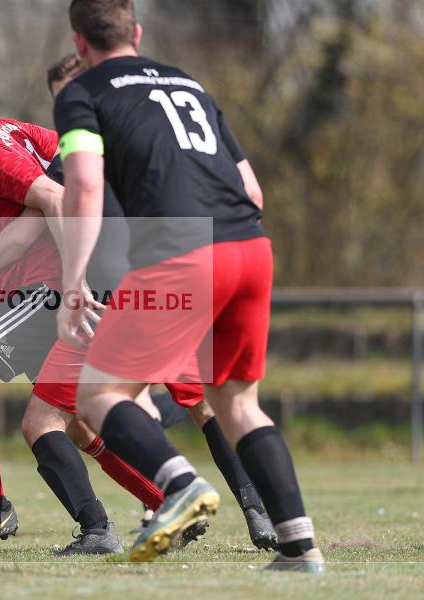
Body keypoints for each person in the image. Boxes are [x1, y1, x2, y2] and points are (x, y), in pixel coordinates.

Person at [54, 0, 323, 570]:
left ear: (79, 43)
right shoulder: (189, 84)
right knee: (238, 404)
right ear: (137, 31)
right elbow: (253, 190)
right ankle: (300, 549)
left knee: (97, 395)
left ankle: (179, 485)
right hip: (251, 247)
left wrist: (74, 279)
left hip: (181, 253)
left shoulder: (82, 92)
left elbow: (84, 187)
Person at [0, 93, 179, 555]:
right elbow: (68, 168)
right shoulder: (8, 131)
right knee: (76, 425)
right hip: (57, 291)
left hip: (44, 294)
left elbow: (56, 197)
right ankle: (167, 504)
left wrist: (74, 283)